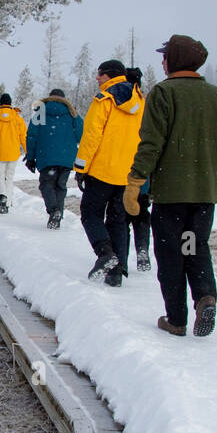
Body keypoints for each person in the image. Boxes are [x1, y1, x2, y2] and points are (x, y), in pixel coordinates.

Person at [124, 34, 217, 337]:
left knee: (171, 254)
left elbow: (151, 143)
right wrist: (210, 177)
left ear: (176, 59)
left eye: (165, 55)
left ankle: (177, 318)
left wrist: (135, 181)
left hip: (171, 194)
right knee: (195, 247)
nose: (162, 60)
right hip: (203, 193)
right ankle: (205, 298)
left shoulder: (163, 93)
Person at [73, 60, 145, 285]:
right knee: (118, 219)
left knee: (90, 213)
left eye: (100, 74)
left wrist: (81, 168)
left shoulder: (104, 100)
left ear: (109, 76)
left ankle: (105, 253)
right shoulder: (140, 100)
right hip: (128, 171)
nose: (97, 78)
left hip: (102, 170)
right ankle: (116, 273)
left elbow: (92, 135)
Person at [25, 88, 82, 229]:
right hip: (67, 158)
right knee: (60, 187)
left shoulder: (41, 113)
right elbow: (82, 135)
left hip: (46, 156)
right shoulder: (72, 113)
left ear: (50, 98)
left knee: (46, 185)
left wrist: (30, 157)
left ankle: (53, 211)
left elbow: (32, 136)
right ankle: (57, 219)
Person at [0, 93, 27, 214]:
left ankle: (2, 196)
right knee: (9, 178)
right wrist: (27, 150)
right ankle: (7, 203)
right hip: (13, 153)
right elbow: (23, 136)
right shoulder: (17, 117)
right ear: (10, 103)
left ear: (0, 103)